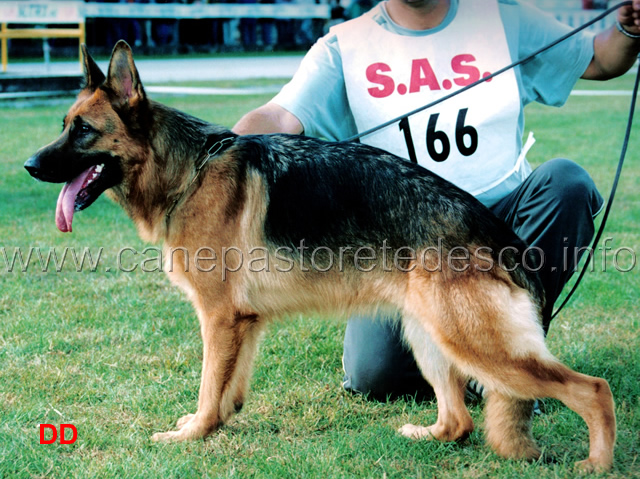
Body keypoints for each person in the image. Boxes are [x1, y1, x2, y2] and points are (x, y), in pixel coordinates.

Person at [232, 0, 640, 401]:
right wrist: (223, 151)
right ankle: (473, 360)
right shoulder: (345, 44)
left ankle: (511, 365)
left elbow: (600, 59)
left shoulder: (502, 17)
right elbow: (281, 117)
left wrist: (629, 29)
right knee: (376, 376)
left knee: (566, 183)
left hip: (501, 224)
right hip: (401, 249)